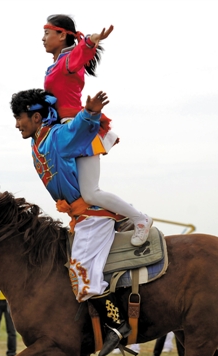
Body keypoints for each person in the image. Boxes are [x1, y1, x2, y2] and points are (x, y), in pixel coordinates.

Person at [11, 88, 132, 356]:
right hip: (80, 218)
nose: (16, 124)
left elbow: (75, 128)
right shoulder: (37, 142)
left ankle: (117, 324)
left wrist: (89, 113)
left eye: (20, 117)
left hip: (93, 215)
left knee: (81, 272)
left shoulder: (55, 137)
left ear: (37, 117)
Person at [42, 15, 152, 246]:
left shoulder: (68, 60)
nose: (42, 39)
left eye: (46, 33)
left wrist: (93, 40)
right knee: (81, 194)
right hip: (64, 132)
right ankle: (118, 220)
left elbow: (82, 51)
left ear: (61, 35)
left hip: (77, 129)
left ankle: (139, 219)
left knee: (90, 193)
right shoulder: (56, 64)